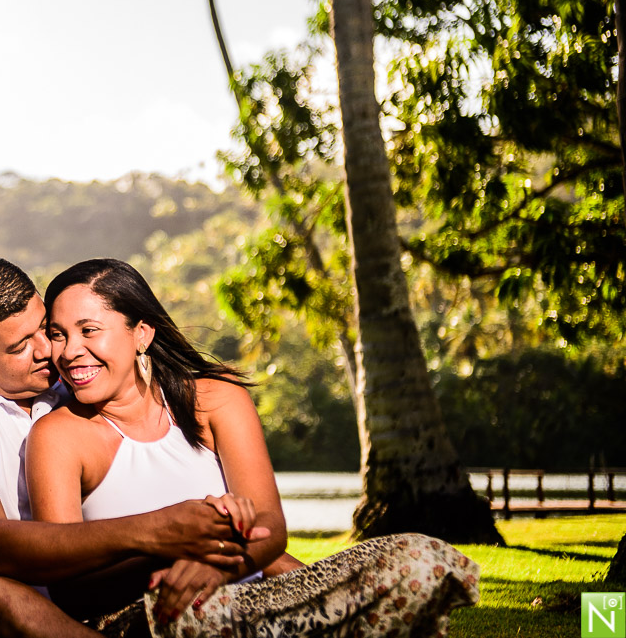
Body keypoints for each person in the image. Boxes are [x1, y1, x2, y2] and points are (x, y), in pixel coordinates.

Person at [29, 258, 480, 637]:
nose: (70, 352)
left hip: (254, 595)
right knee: (200, 613)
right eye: (58, 334)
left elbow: (269, 525)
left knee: (419, 560)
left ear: (141, 333)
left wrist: (218, 568)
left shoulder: (215, 397)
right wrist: (173, 547)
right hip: (152, 615)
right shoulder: (57, 436)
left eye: (89, 330)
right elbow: (67, 586)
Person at [0, 255, 256, 638]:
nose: (48, 349)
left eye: (45, 328)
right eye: (20, 347)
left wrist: (220, 544)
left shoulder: (64, 383)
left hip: (81, 610)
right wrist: (156, 530)